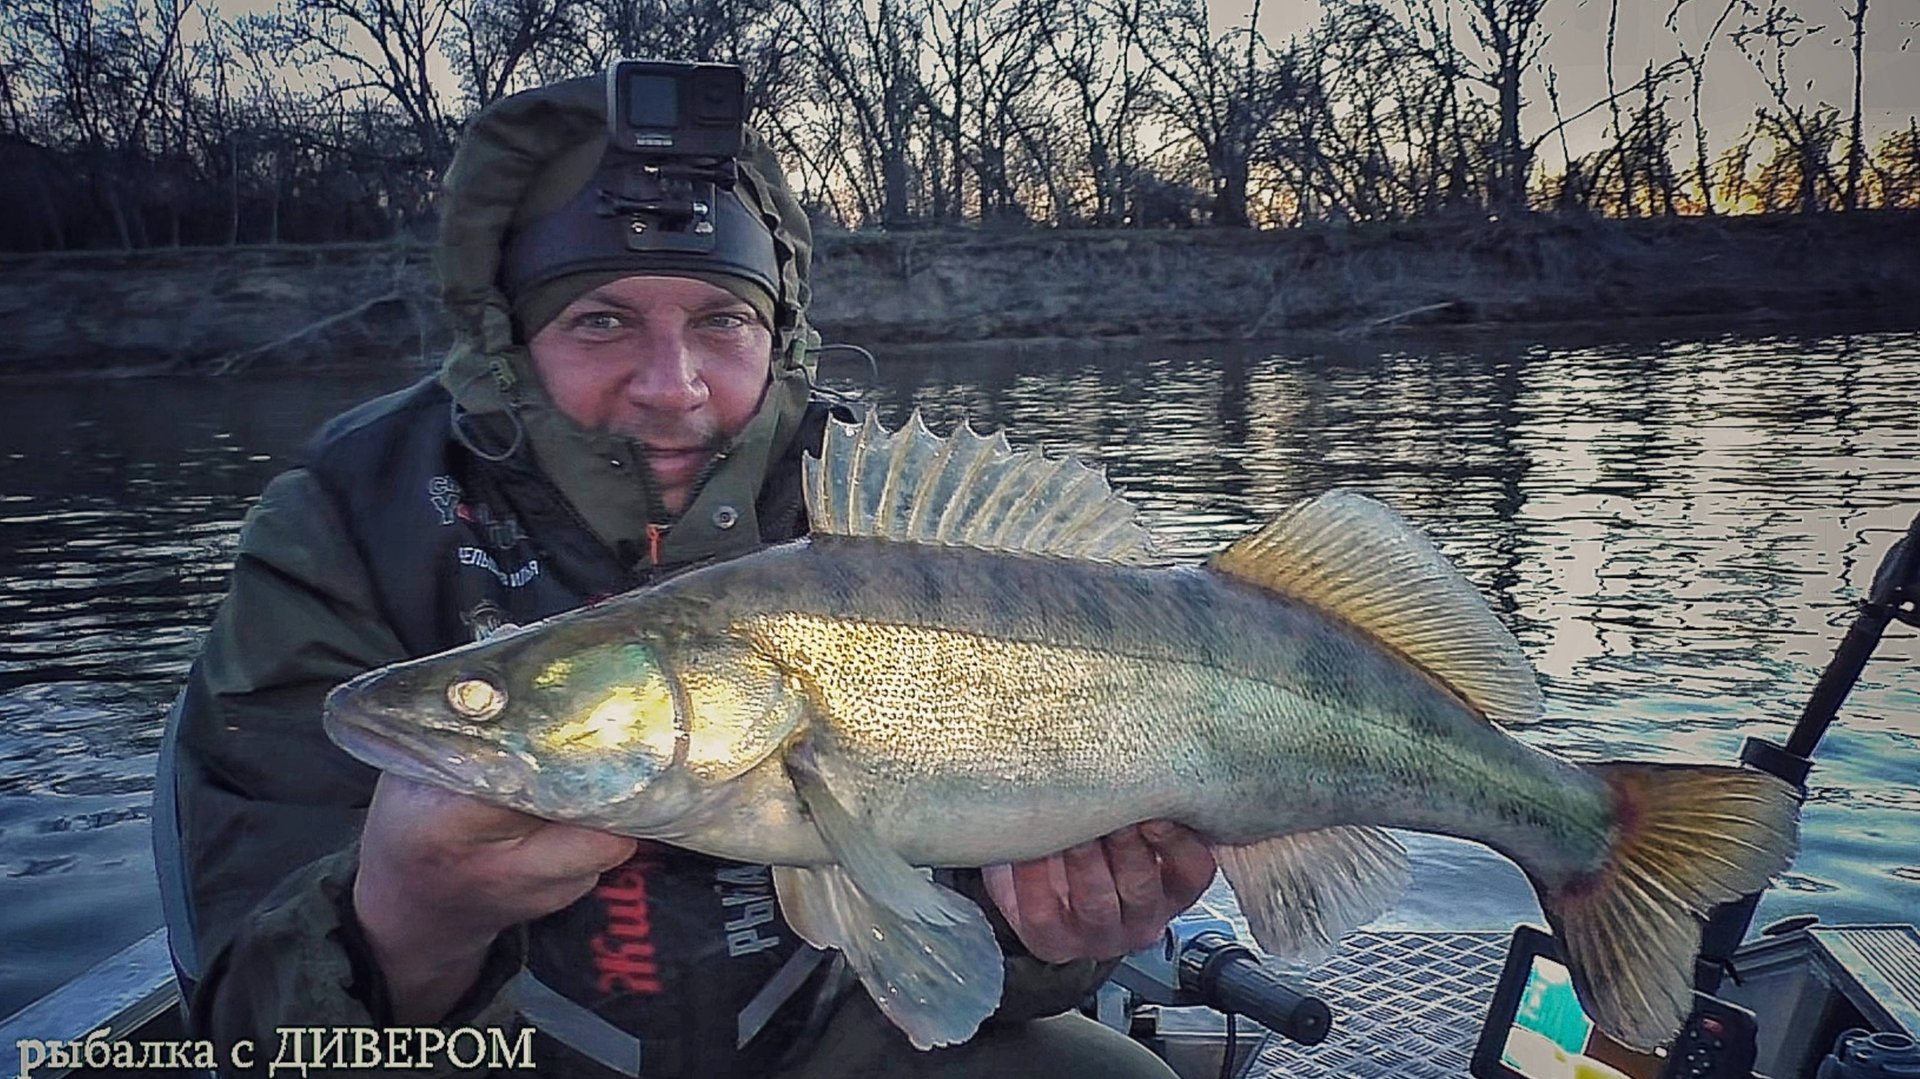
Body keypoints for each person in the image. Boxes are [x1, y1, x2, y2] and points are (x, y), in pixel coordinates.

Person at [158, 65, 1219, 1078]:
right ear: (513, 339)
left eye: (723, 320)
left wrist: (1054, 927)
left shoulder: (888, 523)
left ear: (779, 331)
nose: (675, 388)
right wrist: (404, 919)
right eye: (602, 320)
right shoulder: (354, 522)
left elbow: (970, 976)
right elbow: (253, 1033)